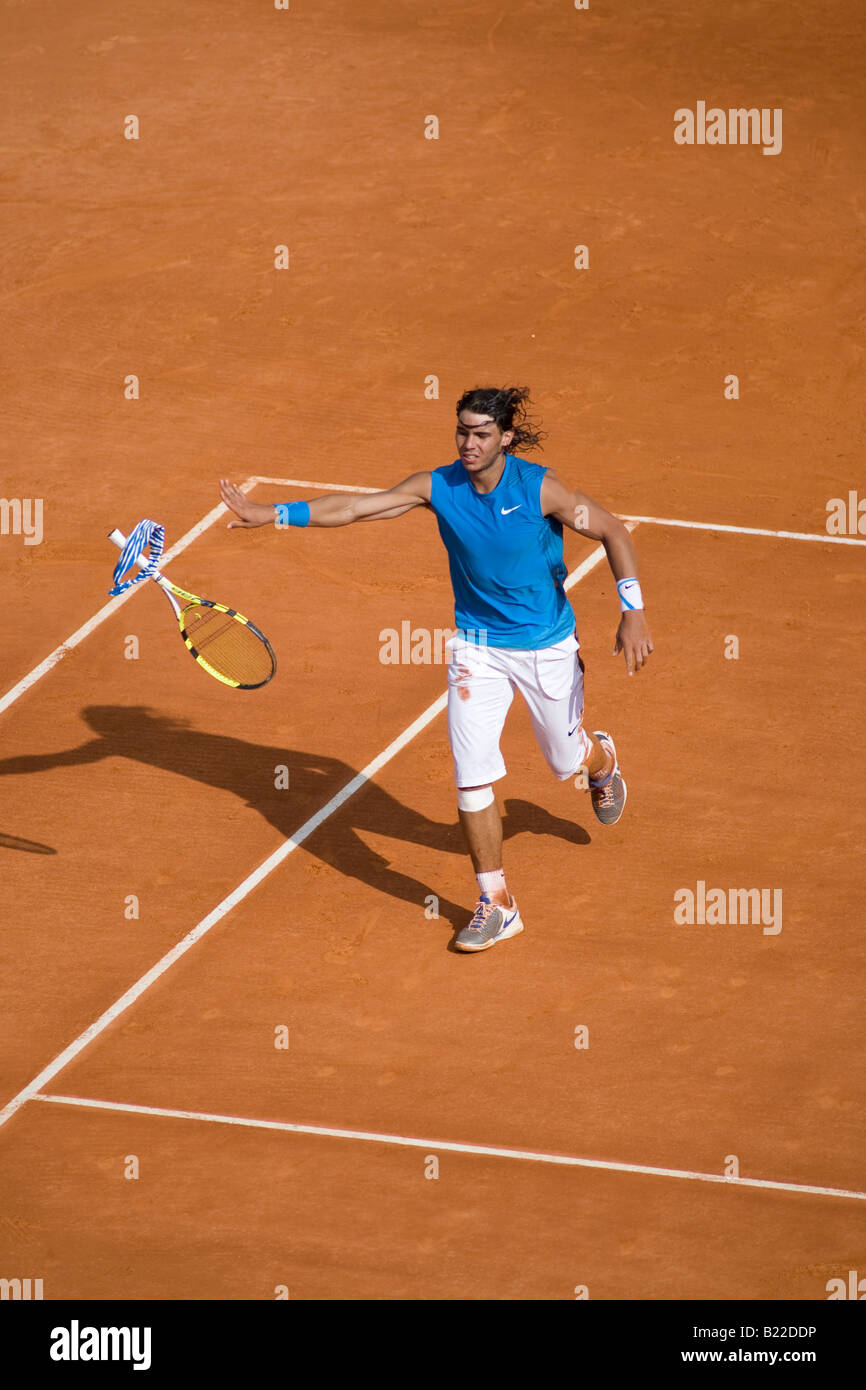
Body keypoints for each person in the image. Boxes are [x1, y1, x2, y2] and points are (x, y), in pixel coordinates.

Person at [219, 386, 653, 953]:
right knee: (471, 774)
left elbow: (613, 531)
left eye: (481, 434)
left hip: (546, 647)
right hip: (476, 648)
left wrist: (633, 611)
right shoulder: (438, 487)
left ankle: (599, 761)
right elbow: (355, 507)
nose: (468, 444)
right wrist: (272, 513)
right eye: (462, 432)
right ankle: (496, 903)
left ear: (506, 439)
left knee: (564, 760)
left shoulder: (541, 489)